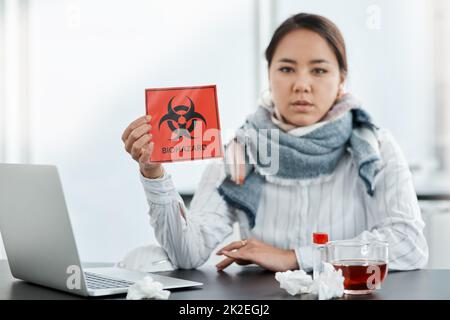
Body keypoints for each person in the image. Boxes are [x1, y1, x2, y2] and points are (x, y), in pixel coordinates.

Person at [121, 13, 428, 272]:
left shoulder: (374, 147)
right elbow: (187, 254)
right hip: (262, 301)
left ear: (341, 82)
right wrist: (154, 174)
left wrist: (294, 258)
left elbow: (409, 244)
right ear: (269, 76)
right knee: (140, 259)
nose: (301, 85)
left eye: (319, 70)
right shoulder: (240, 150)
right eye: (286, 69)